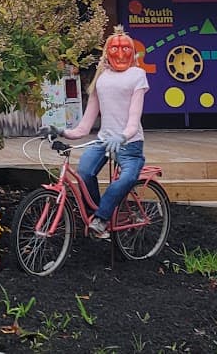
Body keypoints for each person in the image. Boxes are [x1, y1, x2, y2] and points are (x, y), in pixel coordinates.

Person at [45, 27, 149, 239]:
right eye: (115, 49)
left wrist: (122, 136)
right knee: (84, 172)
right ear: (107, 53)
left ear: (132, 51)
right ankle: (97, 216)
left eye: (125, 48)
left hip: (129, 143)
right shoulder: (101, 79)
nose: (120, 54)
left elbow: (134, 118)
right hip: (103, 141)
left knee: (126, 178)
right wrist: (62, 131)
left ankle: (102, 219)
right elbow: (84, 127)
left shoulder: (137, 75)